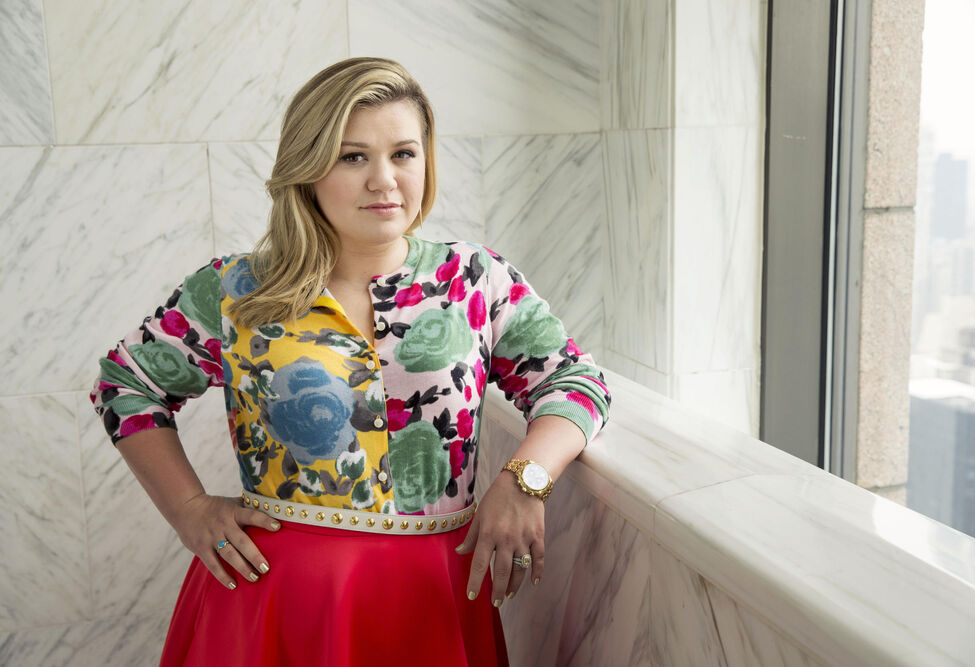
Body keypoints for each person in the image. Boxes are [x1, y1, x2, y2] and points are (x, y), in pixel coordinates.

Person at [90, 57, 610, 667]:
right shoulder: (234, 289)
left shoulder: (475, 279)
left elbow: (575, 381)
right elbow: (126, 382)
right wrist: (188, 510)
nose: (384, 181)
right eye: (353, 156)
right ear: (308, 168)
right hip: (277, 601)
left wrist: (524, 481)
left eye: (404, 154)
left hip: (436, 597)